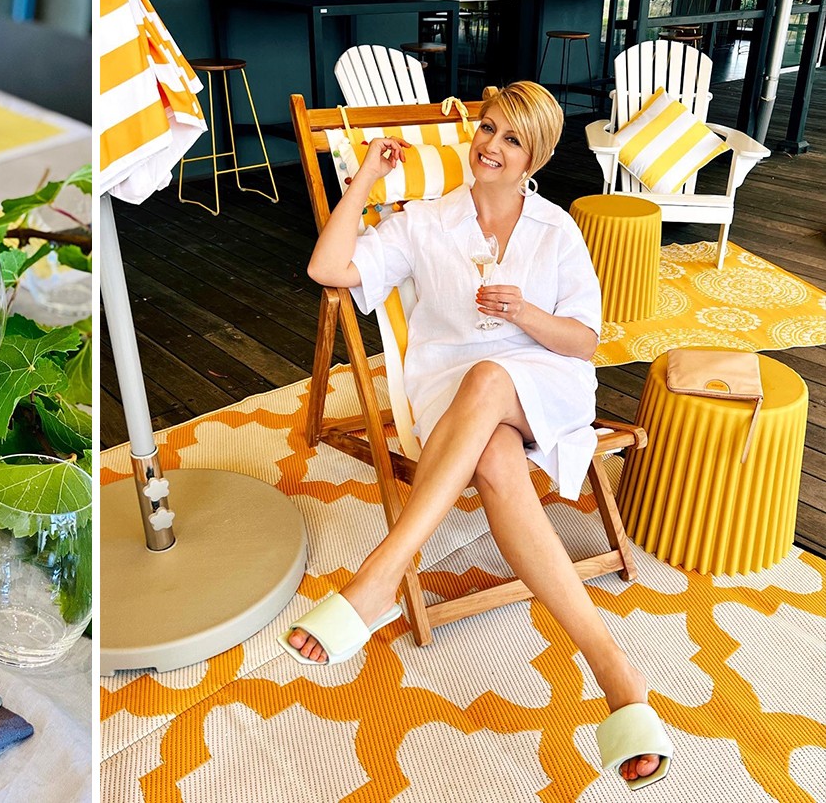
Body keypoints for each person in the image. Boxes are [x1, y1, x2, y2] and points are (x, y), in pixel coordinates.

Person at [284, 81, 672, 791]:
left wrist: (524, 313)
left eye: (512, 139)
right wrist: (366, 178)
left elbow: (584, 341)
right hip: (450, 391)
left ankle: (379, 576)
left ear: (536, 158)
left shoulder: (556, 230)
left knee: (493, 376)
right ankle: (614, 668)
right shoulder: (425, 221)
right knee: (492, 450)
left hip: (544, 380)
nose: (490, 145)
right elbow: (327, 268)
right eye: (488, 128)